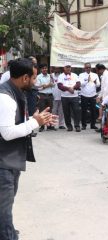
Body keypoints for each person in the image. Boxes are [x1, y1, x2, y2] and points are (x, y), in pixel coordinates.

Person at [0, 58, 54, 240]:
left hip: (10, 161)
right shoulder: (6, 98)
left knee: (4, 209)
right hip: (3, 164)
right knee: (3, 212)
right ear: (24, 78)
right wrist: (33, 122)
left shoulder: (15, 93)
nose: (35, 82)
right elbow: (7, 133)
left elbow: (18, 125)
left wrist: (36, 122)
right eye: (34, 78)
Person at [57, 63, 81, 132]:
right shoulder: (61, 76)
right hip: (65, 97)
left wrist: (73, 88)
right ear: (64, 68)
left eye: (69, 67)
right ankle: (69, 126)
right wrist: (68, 89)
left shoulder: (75, 75)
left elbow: (78, 84)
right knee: (66, 112)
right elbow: (60, 86)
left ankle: (77, 126)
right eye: (67, 67)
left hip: (74, 96)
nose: (68, 68)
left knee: (76, 111)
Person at [79, 63, 100, 130]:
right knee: (84, 111)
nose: (88, 68)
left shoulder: (95, 75)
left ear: (91, 68)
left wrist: (95, 83)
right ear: (84, 68)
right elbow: (80, 84)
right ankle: (84, 125)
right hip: (84, 95)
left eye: (89, 67)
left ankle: (93, 125)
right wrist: (87, 81)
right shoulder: (81, 75)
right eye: (87, 67)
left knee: (93, 110)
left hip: (93, 95)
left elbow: (98, 85)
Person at [35, 63, 55, 131]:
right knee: (42, 111)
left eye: (46, 68)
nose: (45, 69)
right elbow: (38, 88)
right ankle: (42, 126)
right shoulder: (38, 77)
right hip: (42, 95)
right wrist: (47, 85)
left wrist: (49, 84)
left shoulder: (50, 76)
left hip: (50, 95)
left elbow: (54, 85)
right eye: (43, 68)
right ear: (41, 70)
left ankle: (49, 126)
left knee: (50, 111)